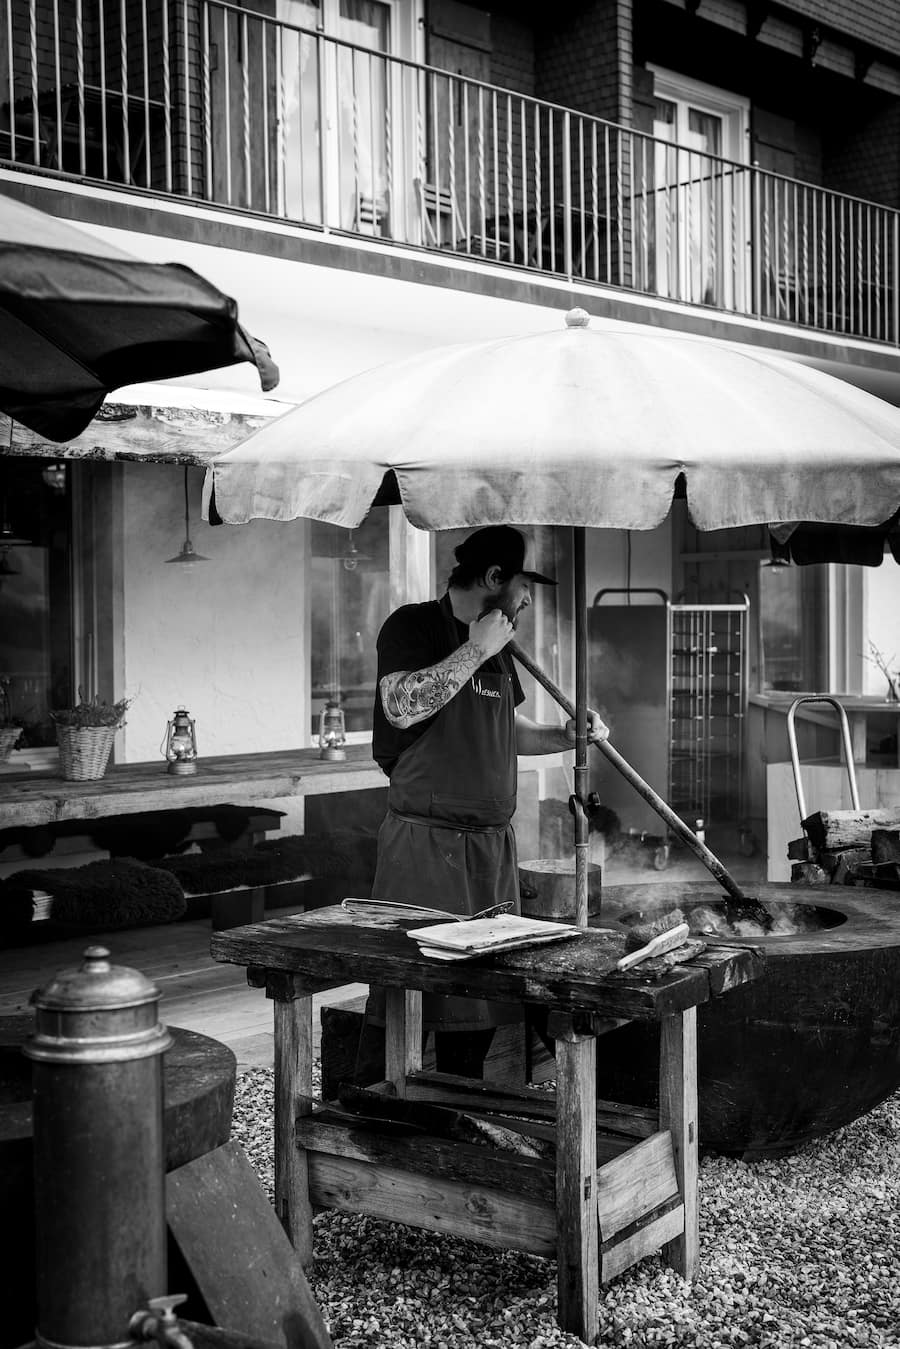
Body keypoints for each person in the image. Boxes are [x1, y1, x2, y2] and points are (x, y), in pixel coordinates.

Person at [368, 525, 608, 1078]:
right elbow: (402, 707)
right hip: (426, 851)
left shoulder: (501, 648)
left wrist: (563, 735)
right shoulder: (414, 626)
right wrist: (477, 648)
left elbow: (505, 727)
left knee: (479, 1006)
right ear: (494, 576)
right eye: (524, 586)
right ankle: (382, 1104)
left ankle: (464, 1105)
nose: (527, 600)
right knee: (411, 996)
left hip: (490, 853)